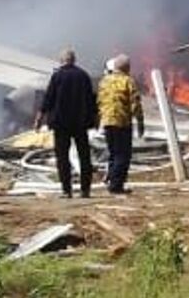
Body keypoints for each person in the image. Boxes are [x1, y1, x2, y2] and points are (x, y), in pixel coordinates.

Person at [36, 47, 98, 198]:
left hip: (61, 124)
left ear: (61, 60)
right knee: (84, 156)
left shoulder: (57, 77)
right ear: (74, 60)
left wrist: (39, 118)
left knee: (62, 157)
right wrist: (95, 119)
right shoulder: (83, 76)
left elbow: (48, 99)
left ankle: (66, 190)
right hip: (80, 123)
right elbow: (91, 100)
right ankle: (85, 190)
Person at [97, 53, 145, 194]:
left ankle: (112, 181)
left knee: (113, 153)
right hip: (122, 123)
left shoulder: (104, 81)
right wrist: (140, 122)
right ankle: (116, 186)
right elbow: (135, 103)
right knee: (123, 155)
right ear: (127, 67)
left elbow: (99, 102)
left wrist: (100, 119)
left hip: (107, 122)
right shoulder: (128, 81)